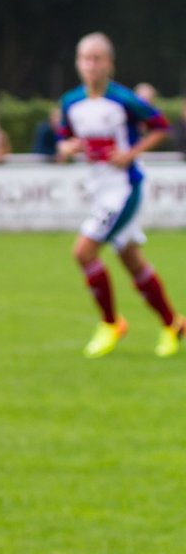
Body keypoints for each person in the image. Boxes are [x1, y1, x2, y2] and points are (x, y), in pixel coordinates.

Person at [57, 32, 183, 358]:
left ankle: (111, 323)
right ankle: (173, 324)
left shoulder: (124, 100)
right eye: (85, 59)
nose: (91, 66)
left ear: (109, 64)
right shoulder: (71, 102)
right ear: (77, 63)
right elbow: (64, 139)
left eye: (97, 59)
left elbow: (160, 125)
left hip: (124, 190)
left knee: (83, 252)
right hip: (99, 191)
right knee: (132, 261)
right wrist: (66, 147)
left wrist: (131, 154)